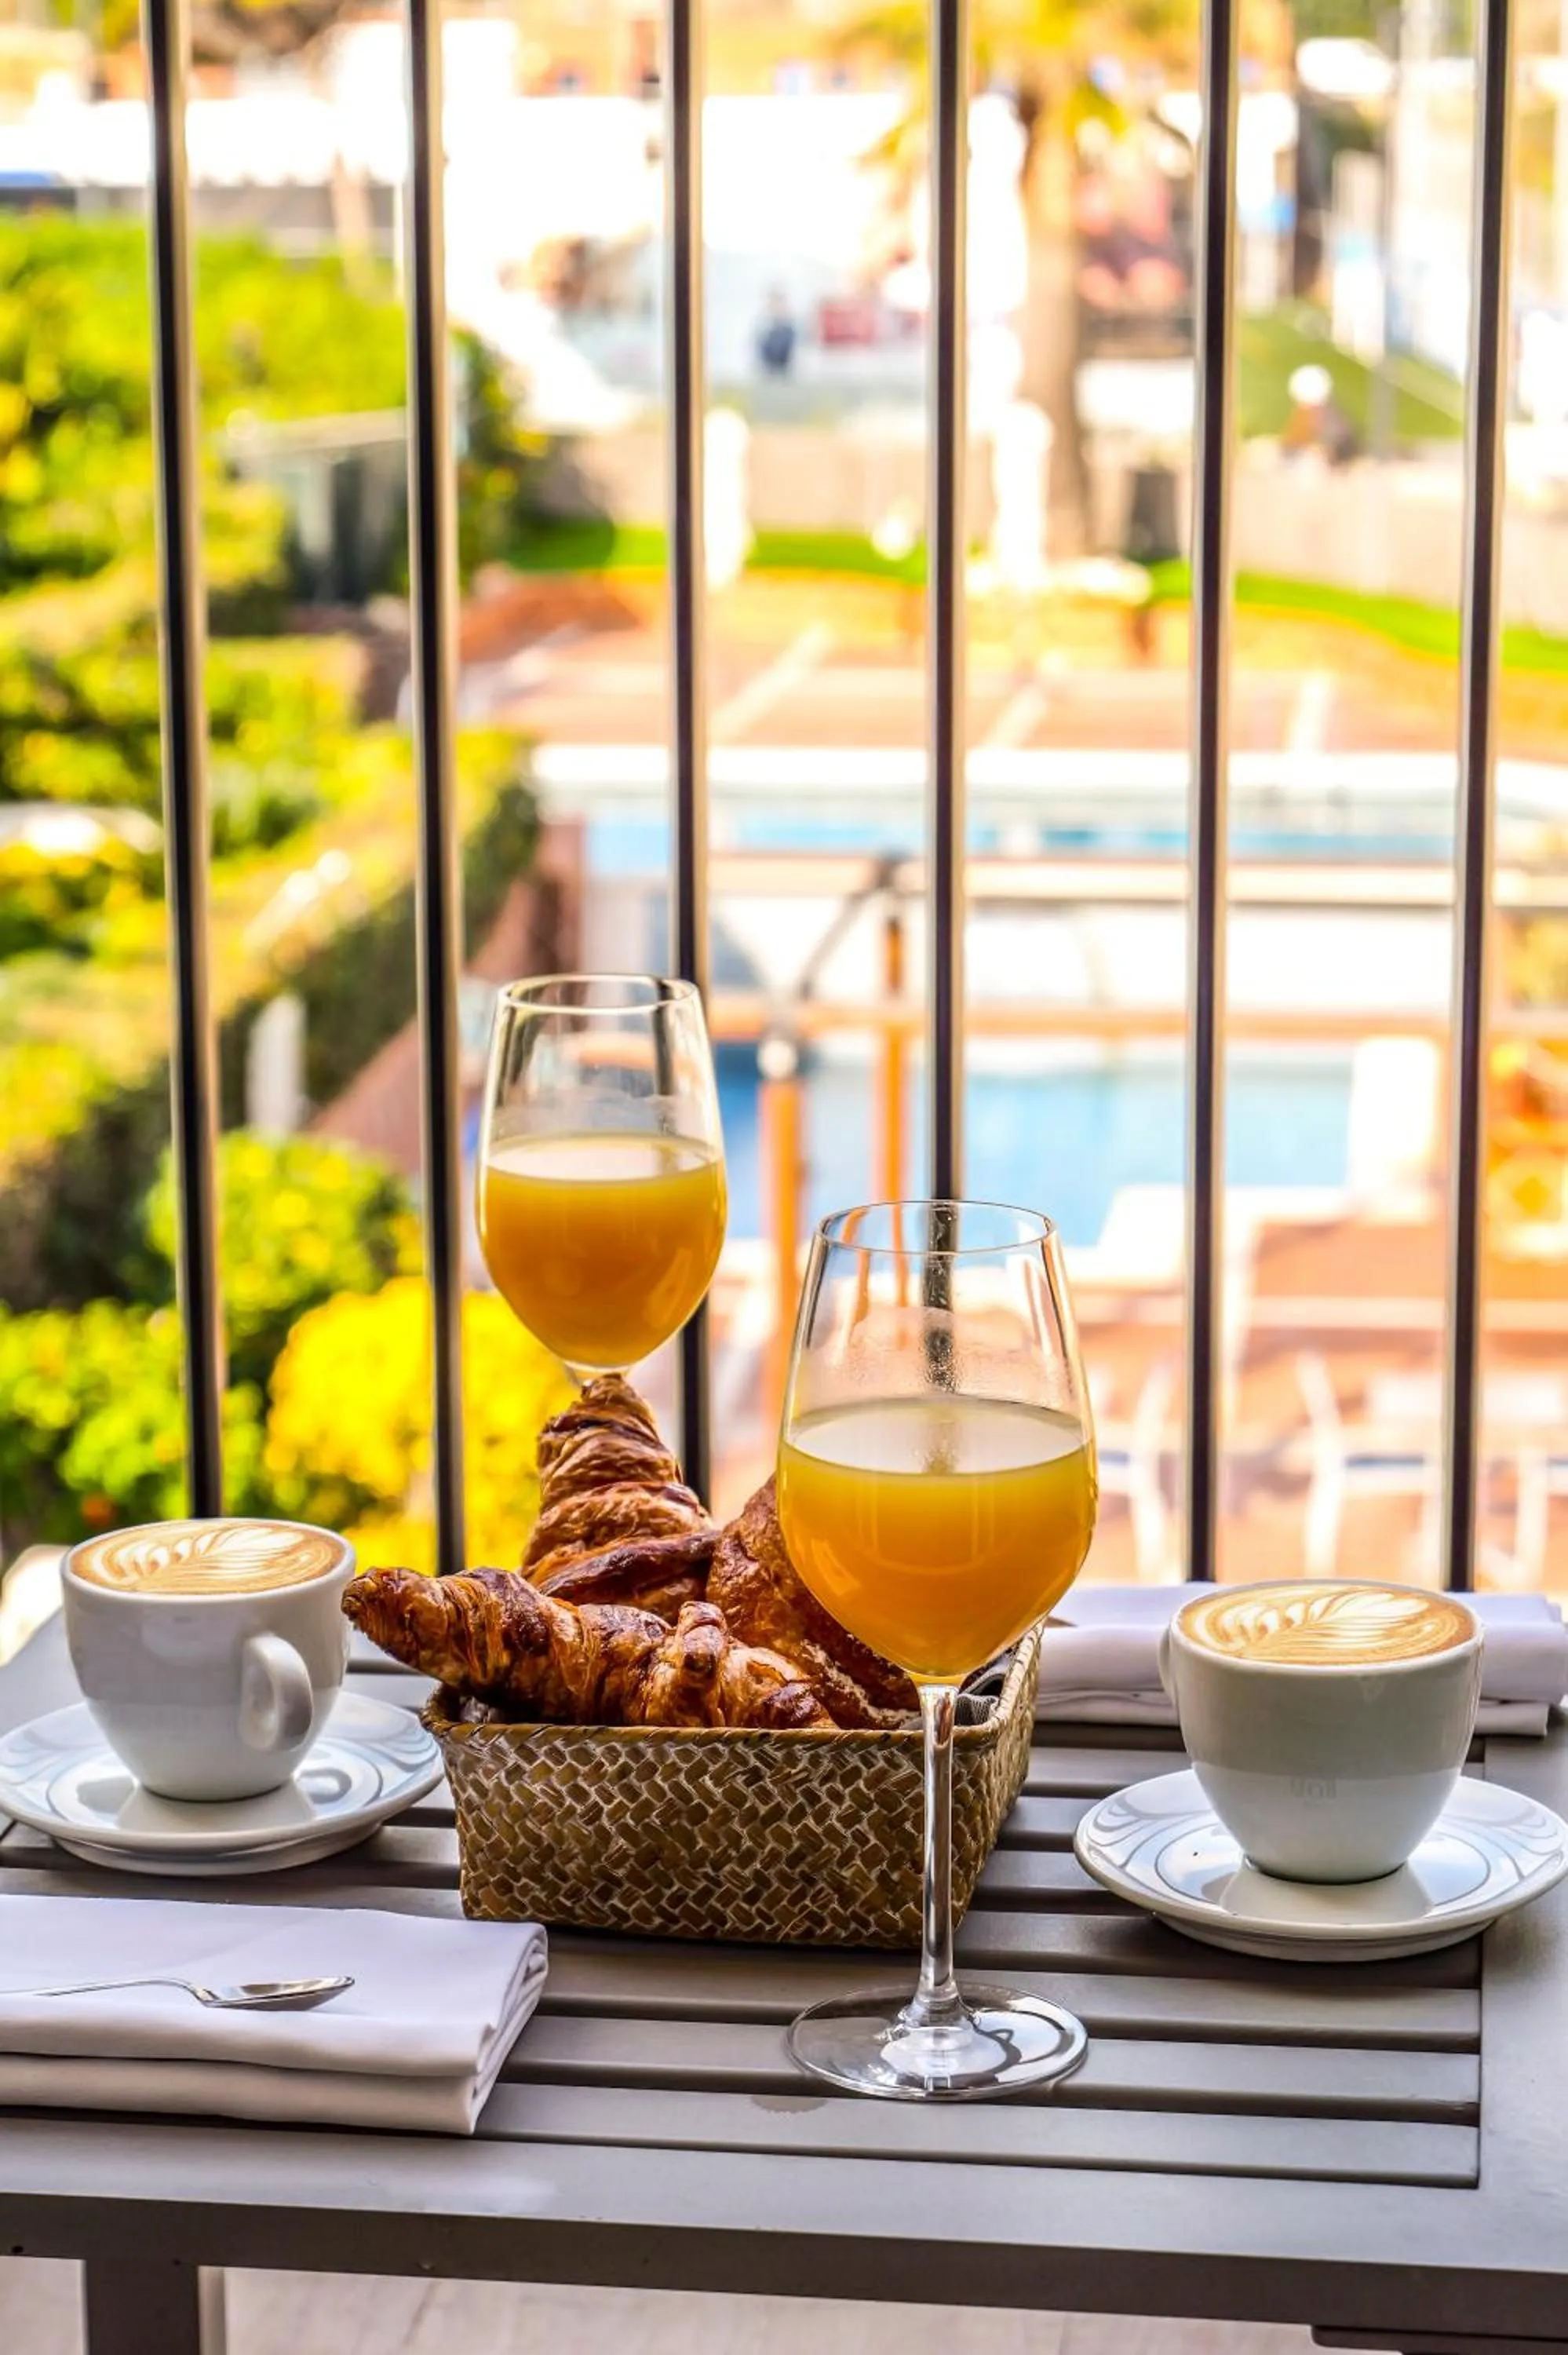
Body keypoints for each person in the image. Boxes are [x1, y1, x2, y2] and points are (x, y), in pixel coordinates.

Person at [756, 288, 797, 379]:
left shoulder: (790, 329)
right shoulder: (763, 328)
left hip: (787, 373)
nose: (776, 307)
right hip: (767, 373)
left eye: (778, 303)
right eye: (773, 303)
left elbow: (792, 354)